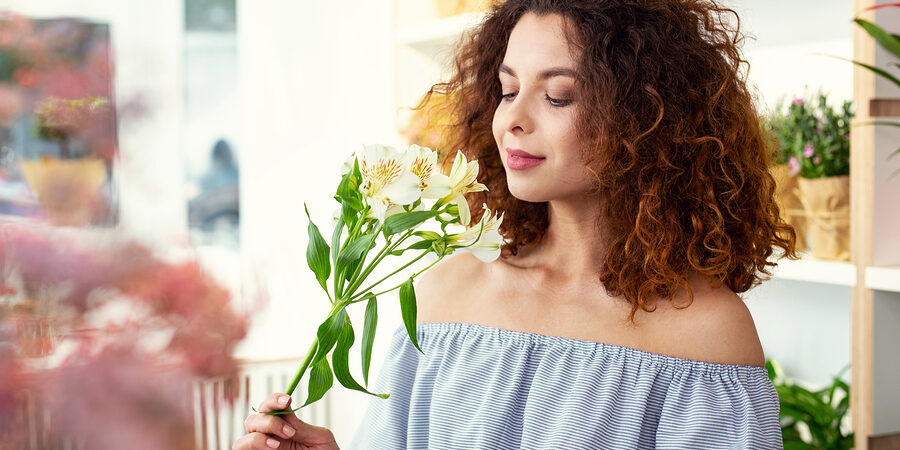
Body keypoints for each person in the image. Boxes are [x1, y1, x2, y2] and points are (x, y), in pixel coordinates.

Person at [234, 0, 795, 448]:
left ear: (645, 117)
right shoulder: (447, 290)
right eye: (507, 90)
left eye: (558, 96)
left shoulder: (705, 335)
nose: (513, 120)